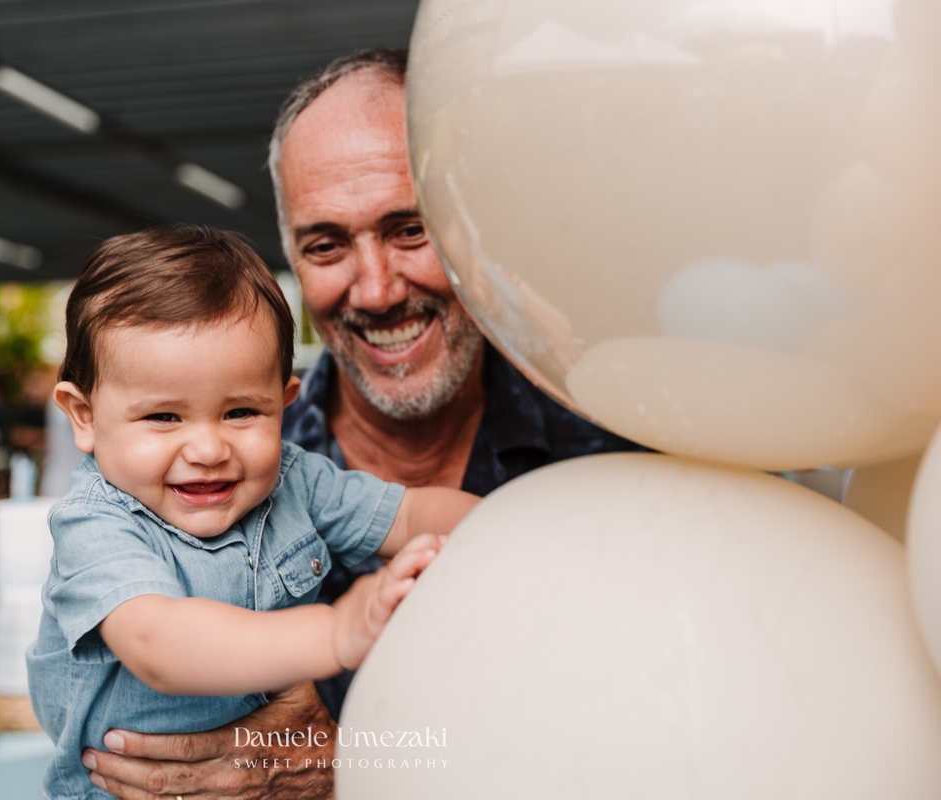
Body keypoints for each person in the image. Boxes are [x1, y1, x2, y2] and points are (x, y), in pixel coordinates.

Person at [83, 48, 644, 800]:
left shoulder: (613, 454)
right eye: (327, 245)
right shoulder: (178, 488)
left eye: (410, 228)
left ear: (478, 228)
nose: (376, 291)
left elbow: (650, 732)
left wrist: (350, 762)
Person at [26, 227, 476, 800]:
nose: (209, 450)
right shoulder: (96, 523)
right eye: (164, 417)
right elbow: (160, 641)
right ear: (83, 416)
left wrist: (511, 529)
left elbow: (412, 513)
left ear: (283, 406)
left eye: (241, 412)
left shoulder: (295, 479)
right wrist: (336, 631)